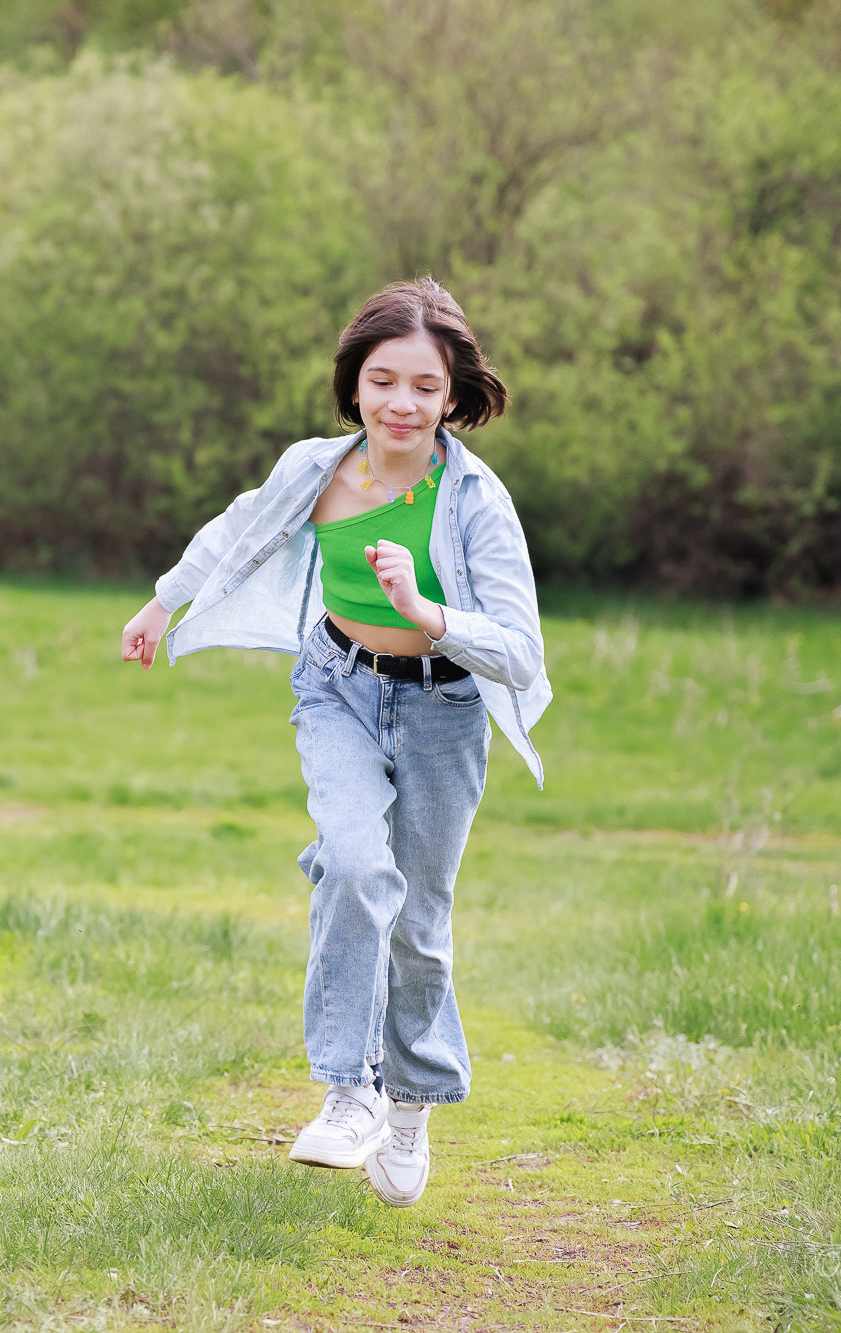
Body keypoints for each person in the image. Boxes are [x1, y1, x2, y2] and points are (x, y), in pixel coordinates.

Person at [119, 279, 547, 1208]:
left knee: (421, 924)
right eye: (383, 379)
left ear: (451, 396)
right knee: (354, 865)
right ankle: (348, 1092)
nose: (402, 402)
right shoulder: (318, 467)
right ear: (355, 382)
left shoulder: (474, 499)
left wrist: (428, 611)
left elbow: (520, 650)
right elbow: (239, 528)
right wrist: (164, 600)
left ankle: (412, 1103)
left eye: (425, 387)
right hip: (337, 688)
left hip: (444, 712)